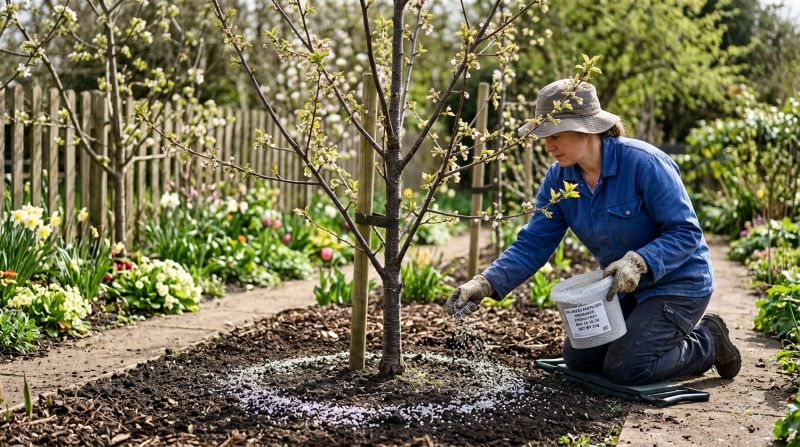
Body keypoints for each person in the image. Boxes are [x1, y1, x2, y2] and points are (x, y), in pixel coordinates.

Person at [445, 79, 741, 386]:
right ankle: (645, 335)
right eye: (543, 136)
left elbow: (685, 232)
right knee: (580, 360)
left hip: (678, 284)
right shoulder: (559, 180)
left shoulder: (644, 163)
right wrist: (485, 283)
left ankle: (708, 340)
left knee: (627, 368)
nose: (548, 145)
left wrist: (638, 262)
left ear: (587, 129)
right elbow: (534, 243)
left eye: (556, 135)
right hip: (621, 287)